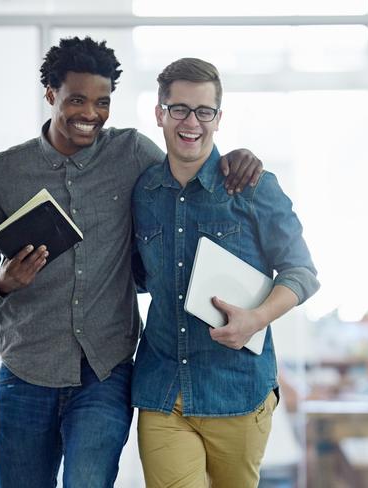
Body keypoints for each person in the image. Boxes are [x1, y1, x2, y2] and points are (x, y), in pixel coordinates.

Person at [0, 37, 263, 488]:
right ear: (50, 95)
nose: (90, 114)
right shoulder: (1, 173)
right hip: (26, 372)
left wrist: (235, 157)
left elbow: (189, 175)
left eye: (102, 102)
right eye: (76, 99)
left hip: (105, 371)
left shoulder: (132, 153)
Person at [131, 57, 320, 488]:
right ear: (160, 113)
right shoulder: (142, 193)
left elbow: (302, 271)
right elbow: (139, 275)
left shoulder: (253, 186)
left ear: (219, 118)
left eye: (204, 111)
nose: (191, 122)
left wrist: (256, 318)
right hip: (162, 390)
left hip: (237, 390)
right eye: (179, 109)